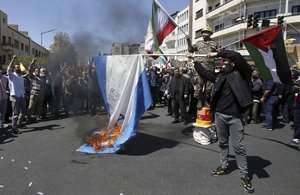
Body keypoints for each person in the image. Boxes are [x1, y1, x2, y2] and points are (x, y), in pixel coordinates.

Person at [193, 49, 254, 193]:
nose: (222, 64)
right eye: (222, 62)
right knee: (222, 143)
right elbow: (206, 74)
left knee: (239, 147)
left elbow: (237, 55)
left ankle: (244, 176)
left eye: (225, 62)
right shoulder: (220, 76)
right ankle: (224, 166)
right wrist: (195, 62)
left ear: (232, 64)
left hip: (235, 117)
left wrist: (218, 53)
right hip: (220, 115)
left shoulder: (242, 74)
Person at [186, 26, 217, 107]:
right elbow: (191, 50)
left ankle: (206, 100)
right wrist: (188, 41)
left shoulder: (214, 43)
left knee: (209, 87)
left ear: (210, 34)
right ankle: (199, 100)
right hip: (200, 67)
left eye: (206, 32)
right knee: (199, 85)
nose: (204, 34)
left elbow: (217, 53)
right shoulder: (198, 43)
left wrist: (220, 51)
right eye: (203, 32)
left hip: (210, 67)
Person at [7, 55, 27, 134]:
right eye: (17, 67)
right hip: (15, 96)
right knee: (15, 114)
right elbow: (8, 68)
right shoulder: (11, 75)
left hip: (22, 96)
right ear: (14, 69)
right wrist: (13, 59)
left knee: (23, 112)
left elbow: (27, 73)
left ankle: (19, 124)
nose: (19, 68)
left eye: (19, 67)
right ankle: (14, 129)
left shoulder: (21, 76)